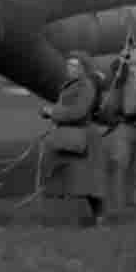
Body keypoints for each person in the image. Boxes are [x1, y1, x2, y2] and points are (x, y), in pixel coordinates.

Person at [38, 52, 106, 227]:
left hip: (82, 136)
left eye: (74, 65)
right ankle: (60, 217)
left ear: (83, 68)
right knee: (58, 174)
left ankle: (99, 216)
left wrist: (53, 112)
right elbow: (67, 108)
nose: (70, 68)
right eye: (68, 65)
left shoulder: (86, 86)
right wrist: (49, 112)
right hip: (67, 134)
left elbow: (79, 111)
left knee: (87, 180)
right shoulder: (71, 84)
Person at [99, 54, 136, 211]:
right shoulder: (116, 88)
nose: (126, 71)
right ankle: (118, 201)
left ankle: (133, 199)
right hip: (124, 129)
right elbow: (115, 109)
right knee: (121, 164)